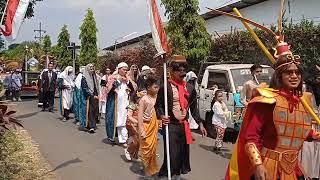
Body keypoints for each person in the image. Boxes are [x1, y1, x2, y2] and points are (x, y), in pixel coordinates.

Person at [225, 43, 320, 180]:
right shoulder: (267, 101)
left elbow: (302, 132)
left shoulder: (302, 101)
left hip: (293, 169)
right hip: (269, 168)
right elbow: (251, 138)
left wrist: (316, 135)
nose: (294, 76)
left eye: (297, 72)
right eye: (289, 72)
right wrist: (257, 164)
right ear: (280, 75)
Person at [155, 55, 207, 179]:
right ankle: (169, 174)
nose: (182, 72)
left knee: (182, 152)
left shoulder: (189, 88)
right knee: (172, 152)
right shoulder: (165, 87)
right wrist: (162, 116)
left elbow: (194, 108)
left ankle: (173, 174)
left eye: (184, 69)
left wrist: (200, 124)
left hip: (184, 125)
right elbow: (158, 106)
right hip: (170, 125)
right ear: (172, 72)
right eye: (179, 70)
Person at [105, 62, 135, 152]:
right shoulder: (112, 78)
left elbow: (133, 88)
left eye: (126, 69)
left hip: (125, 103)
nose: (125, 71)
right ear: (119, 69)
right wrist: (119, 81)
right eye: (123, 69)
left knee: (125, 120)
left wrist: (127, 81)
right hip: (116, 103)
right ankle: (117, 138)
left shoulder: (127, 78)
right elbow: (109, 90)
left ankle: (124, 139)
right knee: (117, 120)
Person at [138, 76, 160, 177]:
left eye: (158, 87)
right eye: (155, 87)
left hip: (154, 128)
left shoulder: (158, 98)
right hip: (146, 127)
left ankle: (151, 168)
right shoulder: (144, 99)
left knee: (152, 150)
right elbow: (140, 116)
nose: (157, 89)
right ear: (148, 87)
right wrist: (141, 130)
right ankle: (146, 171)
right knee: (146, 150)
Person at [125, 91, 145, 161]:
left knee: (140, 141)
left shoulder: (143, 106)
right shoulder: (132, 105)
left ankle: (134, 155)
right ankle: (128, 150)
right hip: (131, 124)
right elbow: (129, 116)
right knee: (136, 139)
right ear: (137, 98)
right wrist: (136, 121)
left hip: (139, 125)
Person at [80, 64, 100, 133]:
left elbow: (96, 86)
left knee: (95, 111)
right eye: (90, 69)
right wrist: (92, 95)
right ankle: (91, 126)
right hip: (88, 97)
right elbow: (85, 89)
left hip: (95, 95)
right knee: (90, 111)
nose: (92, 70)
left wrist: (98, 94)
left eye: (93, 69)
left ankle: (91, 125)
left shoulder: (94, 77)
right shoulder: (84, 78)